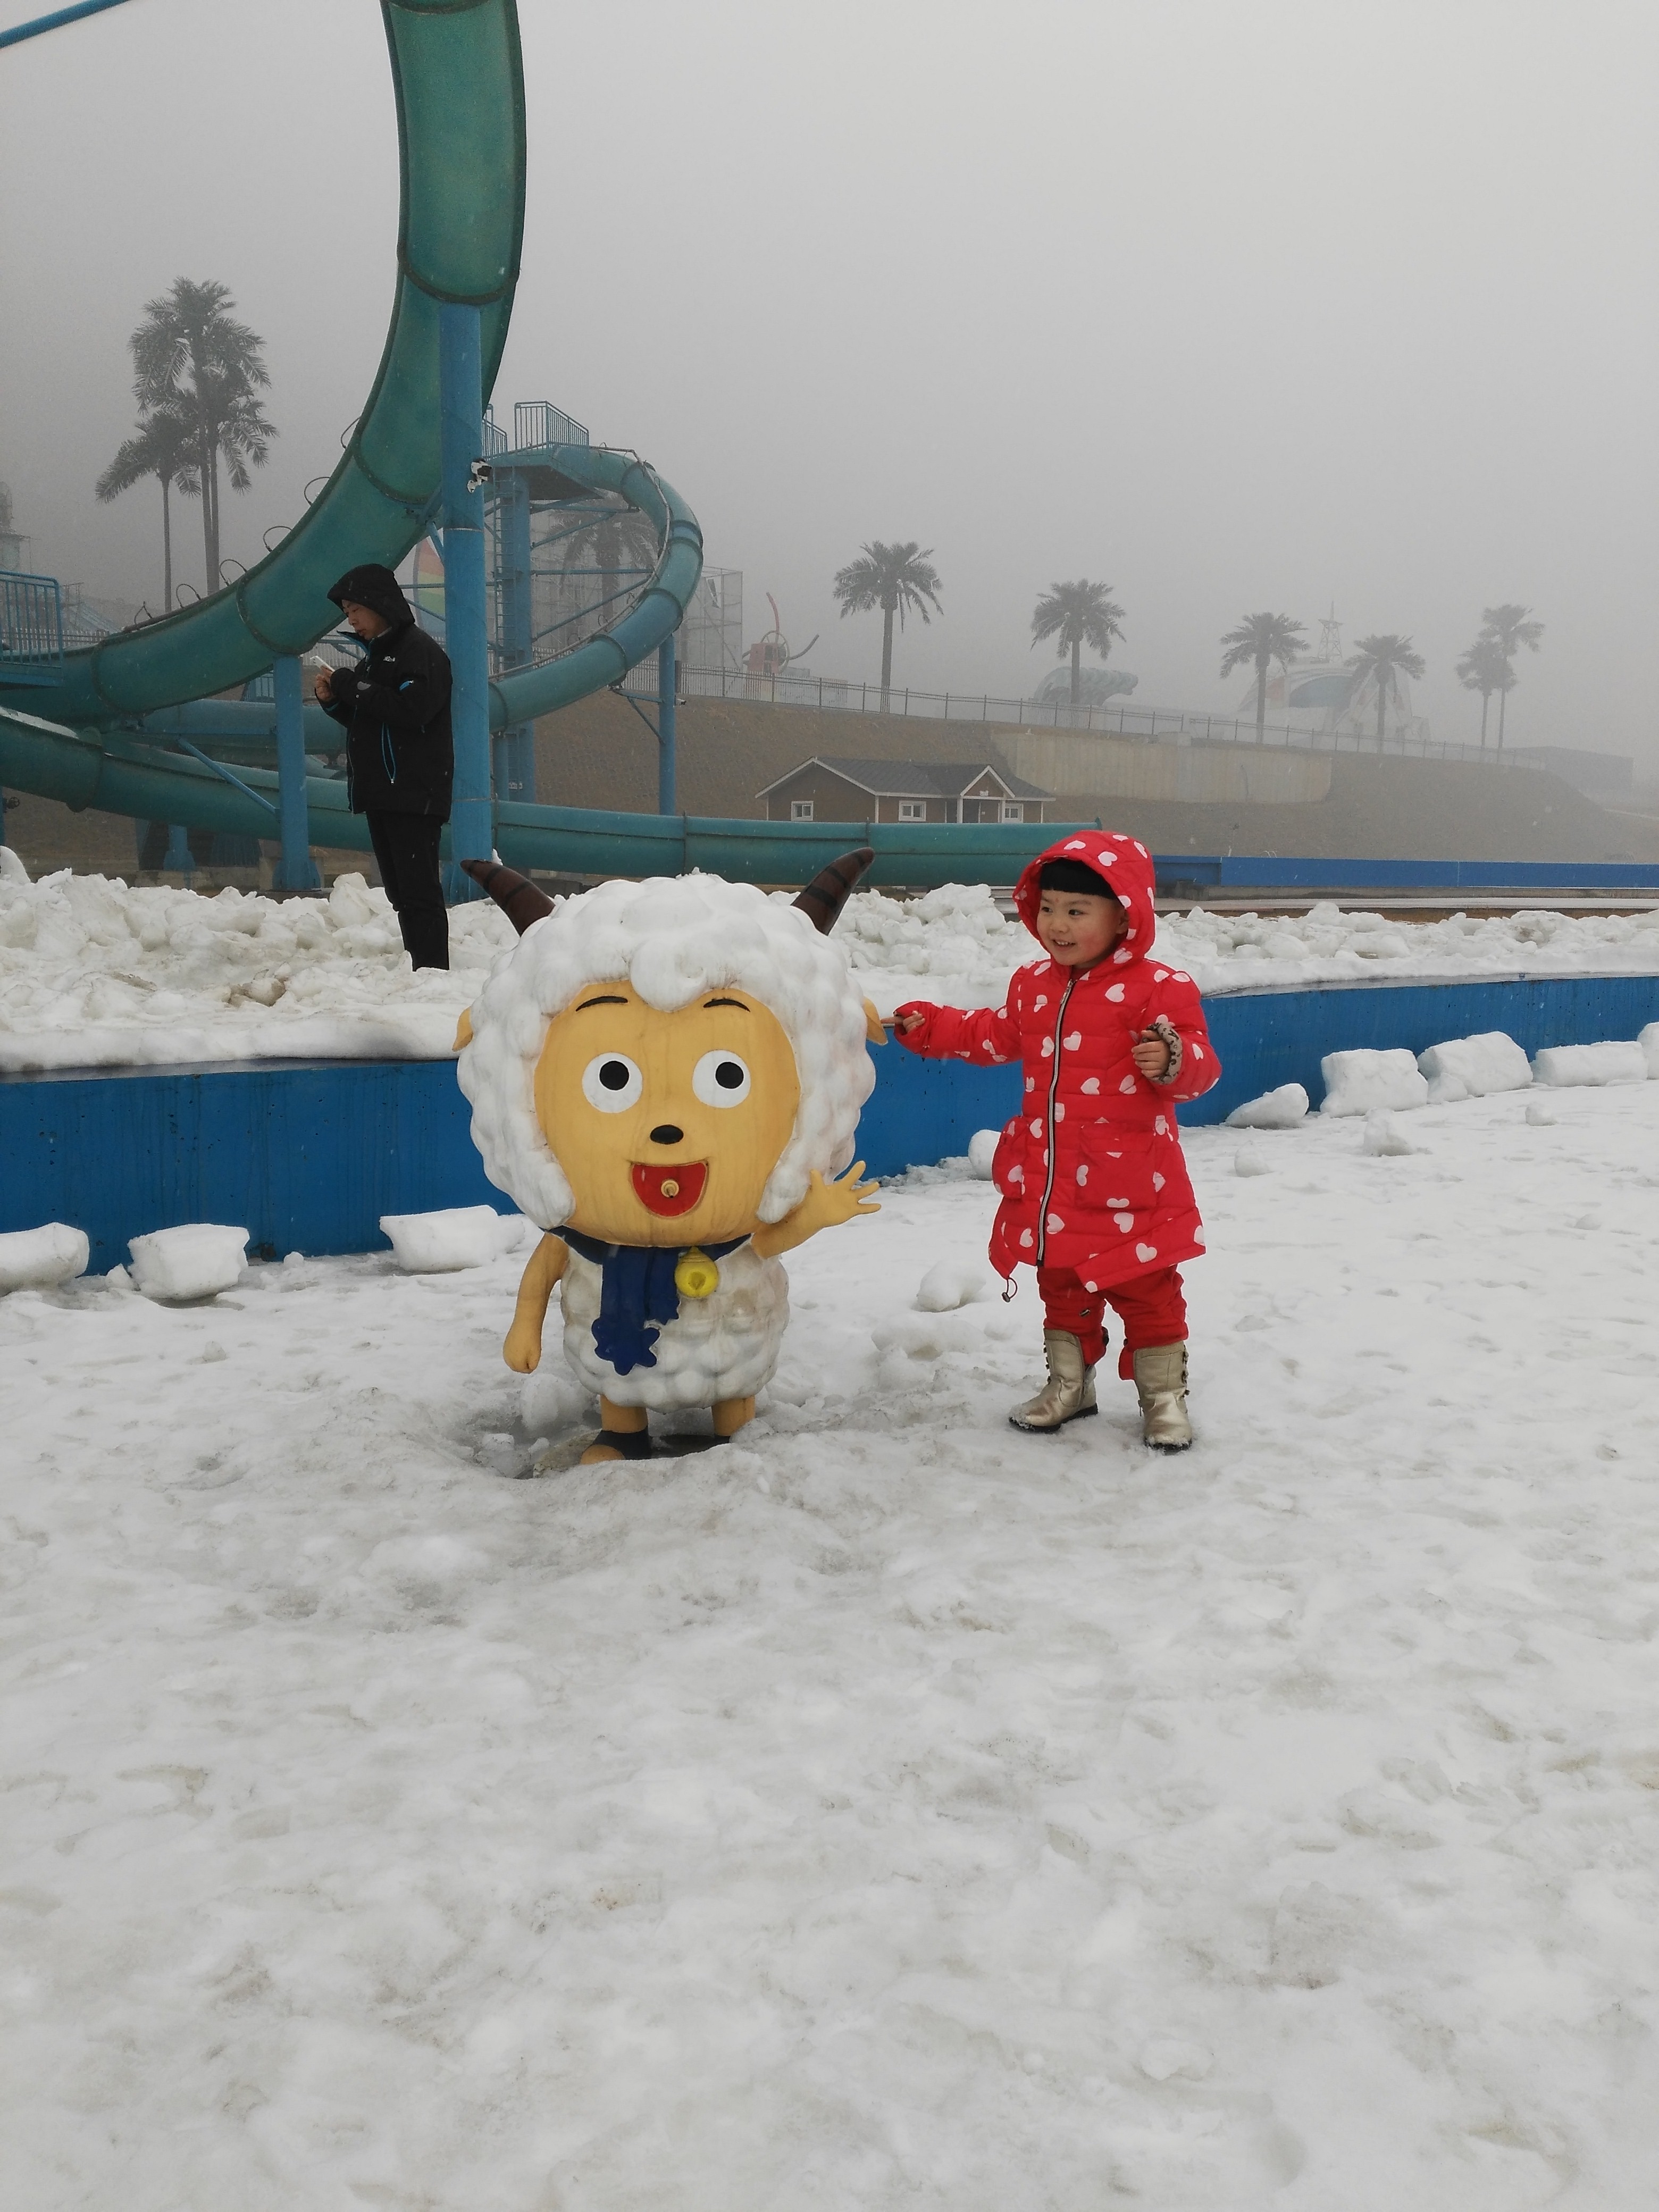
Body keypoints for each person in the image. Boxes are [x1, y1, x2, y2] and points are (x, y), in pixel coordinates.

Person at [893, 832, 1221, 1450]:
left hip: (1130, 1182)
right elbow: (992, 1033)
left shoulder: (1159, 986)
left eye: (1077, 911)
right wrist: (931, 1025)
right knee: (1062, 1287)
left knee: (1147, 1290)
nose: (1057, 925)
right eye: (1049, 908)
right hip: (1051, 1180)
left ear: (1123, 913)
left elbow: (1202, 1068)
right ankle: (1070, 1386)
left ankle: (1163, 1399)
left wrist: (1172, 1057)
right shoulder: (1034, 985)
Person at [314, 563, 453, 970]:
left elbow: (413, 711)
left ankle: (432, 972)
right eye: (347, 612)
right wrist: (335, 702)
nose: (351, 619)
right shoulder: (373, 662)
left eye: (356, 608)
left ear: (380, 604)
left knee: (419, 892)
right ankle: (419, 969)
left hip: (413, 793)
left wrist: (349, 686)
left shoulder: (419, 652)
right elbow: (373, 721)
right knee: (400, 892)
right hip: (384, 793)